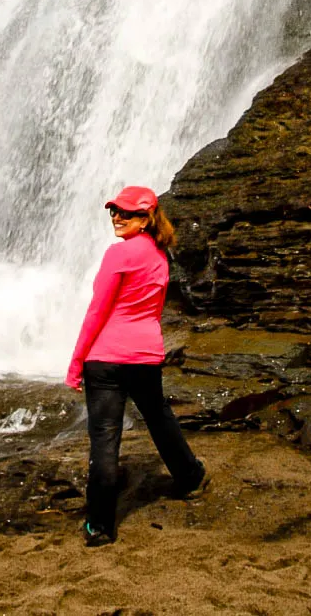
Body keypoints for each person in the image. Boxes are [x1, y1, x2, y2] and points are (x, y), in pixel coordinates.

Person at [66, 185, 207, 547]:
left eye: (125, 212)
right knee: (159, 417)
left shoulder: (119, 254)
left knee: (105, 437)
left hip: (106, 357)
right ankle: (190, 477)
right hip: (144, 355)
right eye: (113, 210)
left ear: (145, 218)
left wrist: (76, 361)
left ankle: (99, 527)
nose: (117, 217)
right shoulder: (161, 257)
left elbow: (97, 311)